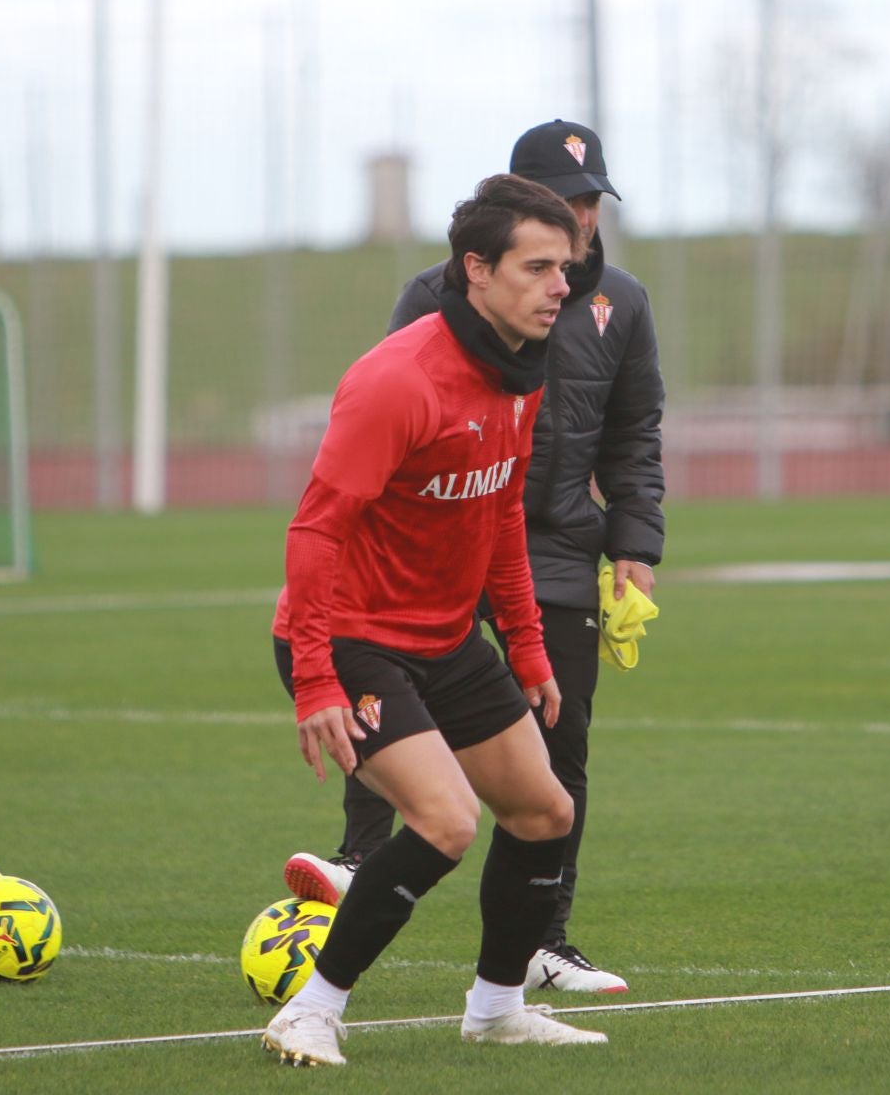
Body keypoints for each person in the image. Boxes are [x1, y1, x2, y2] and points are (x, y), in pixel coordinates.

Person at [285, 119, 666, 994]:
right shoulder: (416, 345)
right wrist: (314, 676)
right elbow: (326, 518)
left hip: (510, 582)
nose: (571, 248)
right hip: (393, 598)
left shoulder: (577, 331)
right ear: (481, 268)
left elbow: (604, 448)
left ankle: (520, 974)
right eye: (545, 250)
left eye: (585, 215)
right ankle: (336, 932)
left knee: (548, 787)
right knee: (444, 803)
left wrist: (617, 560)